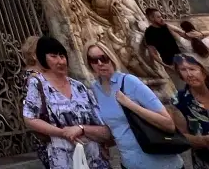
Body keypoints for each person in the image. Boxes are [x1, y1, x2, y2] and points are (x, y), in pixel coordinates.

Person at [83, 41, 182, 169]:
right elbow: (116, 126)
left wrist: (130, 105)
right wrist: (103, 144)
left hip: (160, 162)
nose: (100, 63)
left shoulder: (129, 81)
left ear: (111, 58)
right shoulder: (95, 89)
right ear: (89, 64)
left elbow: (168, 124)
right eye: (94, 60)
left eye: (103, 58)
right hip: (129, 163)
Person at [21, 34, 112, 169]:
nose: (61, 61)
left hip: (94, 155)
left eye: (62, 56)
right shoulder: (36, 83)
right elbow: (30, 118)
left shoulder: (79, 87)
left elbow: (101, 123)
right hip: (62, 157)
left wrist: (83, 130)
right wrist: (63, 132)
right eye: (54, 56)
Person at [139, 8, 184, 77]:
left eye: (161, 16)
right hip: (170, 64)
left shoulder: (165, 26)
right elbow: (153, 53)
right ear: (151, 18)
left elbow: (181, 33)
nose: (161, 18)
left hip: (181, 59)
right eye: (158, 17)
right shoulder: (149, 33)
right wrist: (166, 66)